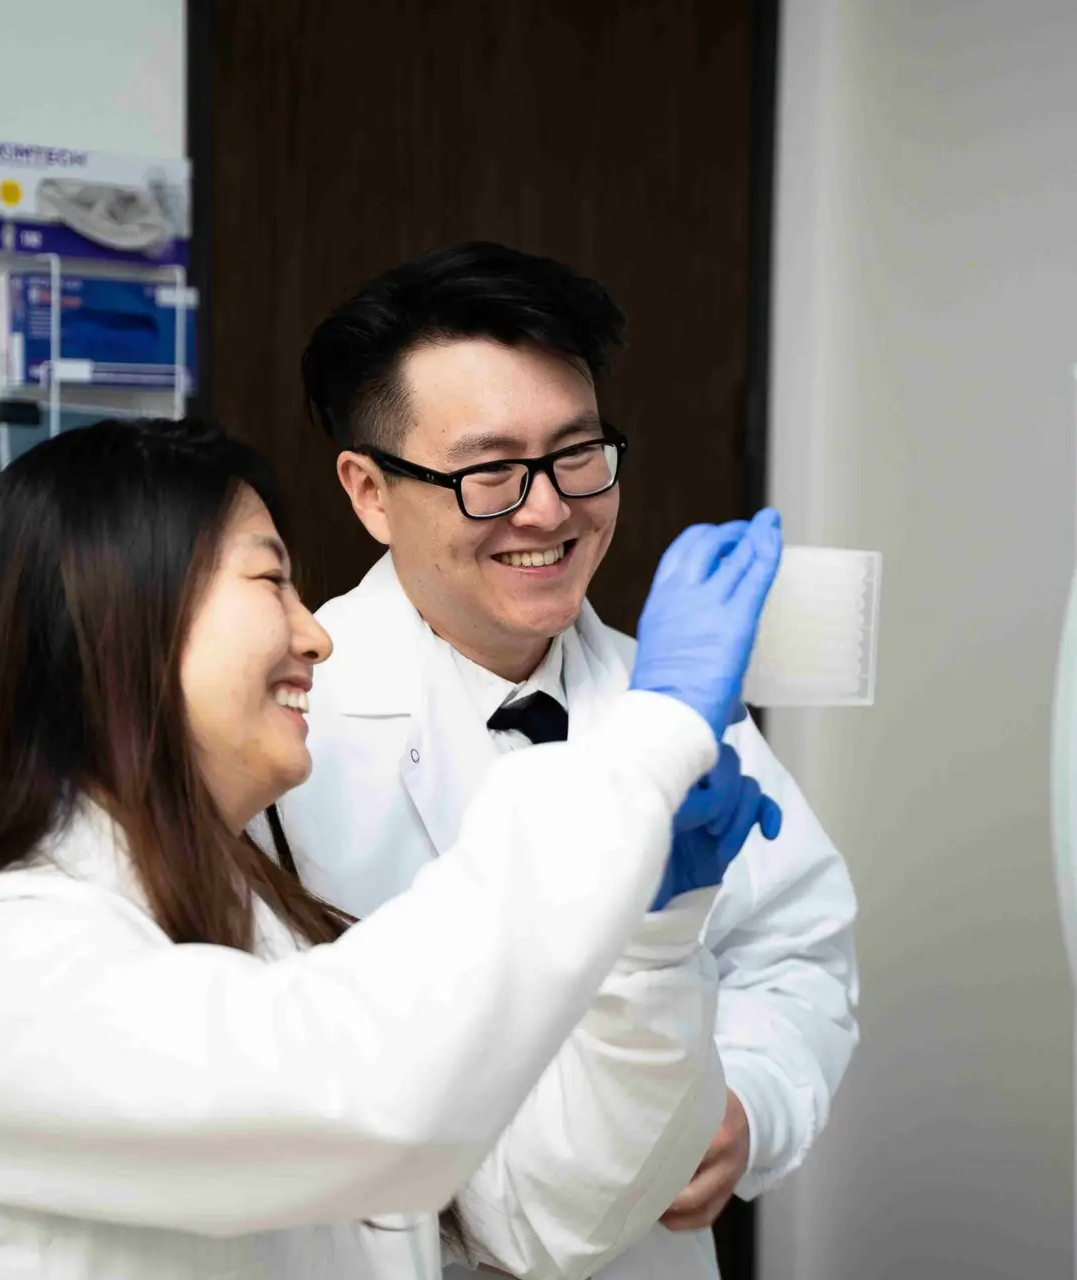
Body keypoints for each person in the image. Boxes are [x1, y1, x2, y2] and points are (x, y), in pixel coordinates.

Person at [0, 417, 786, 1280]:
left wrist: (651, 944)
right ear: (120, 617)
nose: (316, 635)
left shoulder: (267, 928)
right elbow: (360, 1099)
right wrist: (645, 738)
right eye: (271, 582)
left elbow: (548, 1217)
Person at [275, 243, 860, 1279]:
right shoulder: (286, 725)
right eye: (490, 472)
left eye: (577, 454)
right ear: (370, 493)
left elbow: (794, 948)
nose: (547, 509)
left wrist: (750, 1100)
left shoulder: (669, 697)